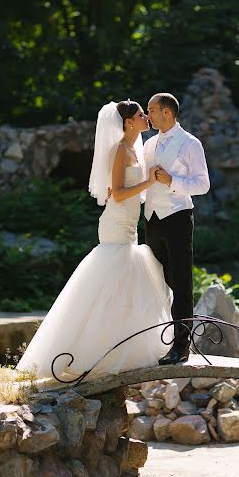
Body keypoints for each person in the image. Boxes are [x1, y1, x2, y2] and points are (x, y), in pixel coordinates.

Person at [16, 101, 173, 382]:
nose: (145, 117)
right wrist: (149, 182)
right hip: (116, 222)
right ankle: (82, 352)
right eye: (140, 115)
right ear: (127, 122)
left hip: (129, 224)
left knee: (125, 286)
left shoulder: (136, 148)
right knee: (108, 279)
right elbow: (119, 194)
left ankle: (116, 348)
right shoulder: (119, 151)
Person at [144, 93, 210, 365]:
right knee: (156, 280)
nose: (147, 115)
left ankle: (181, 346)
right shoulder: (148, 144)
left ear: (167, 112)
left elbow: (203, 184)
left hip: (178, 216)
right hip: (151, 218)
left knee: (181, 283)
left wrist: (172, 180)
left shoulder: (190, 143)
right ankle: (152, 340)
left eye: (151, 109)